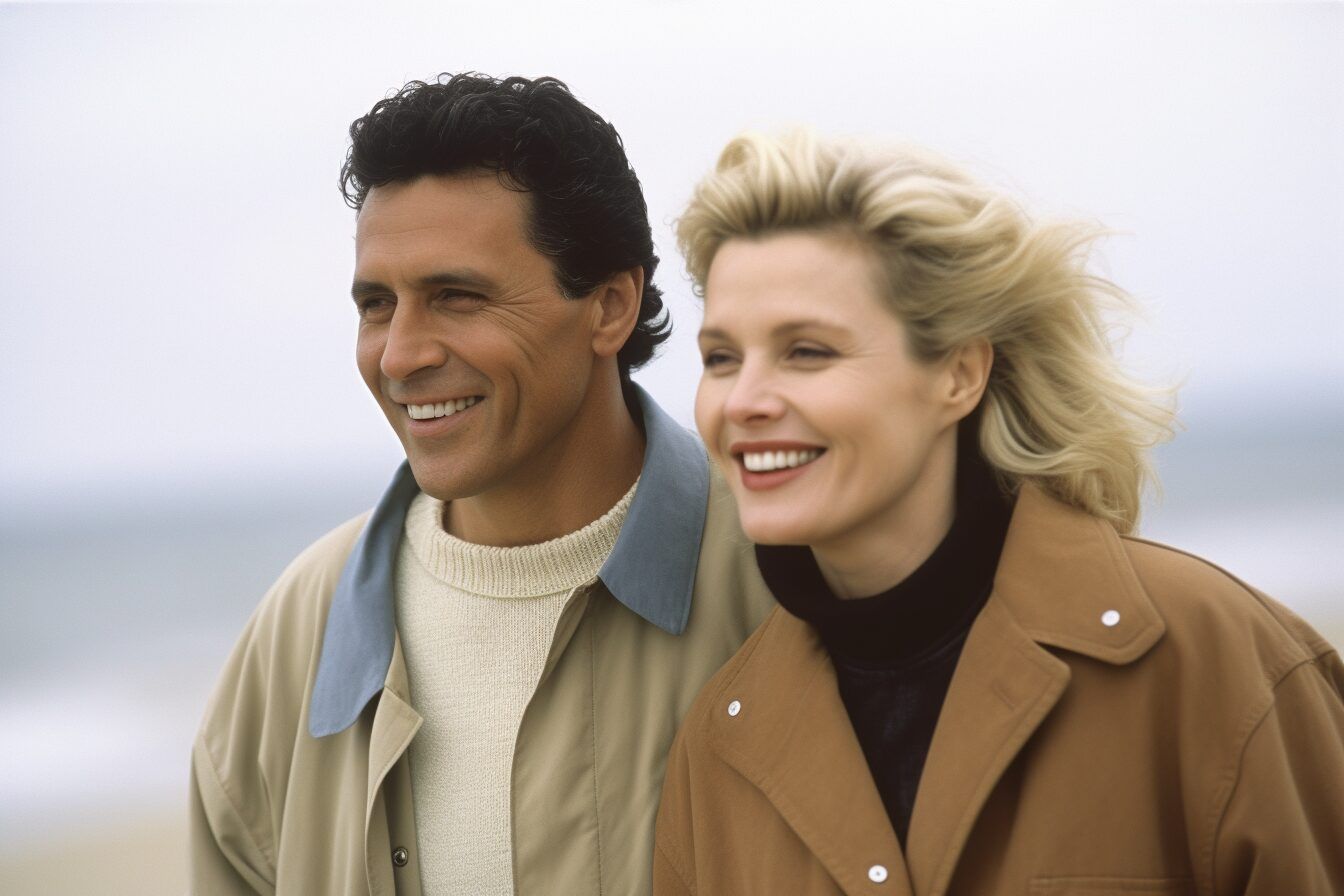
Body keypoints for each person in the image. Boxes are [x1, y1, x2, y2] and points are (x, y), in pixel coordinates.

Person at [654, 130, 1344, 895]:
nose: (743, 401)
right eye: (721, 358)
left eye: (807, 351)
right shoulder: (723, 742)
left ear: (959, 373)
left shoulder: (1218, 659)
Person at [188, 74, 774, 895]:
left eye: (456, 297)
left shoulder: (786, 580)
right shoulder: (300, 627)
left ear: (610, 306)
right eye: (377, 304)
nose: (400, 355)